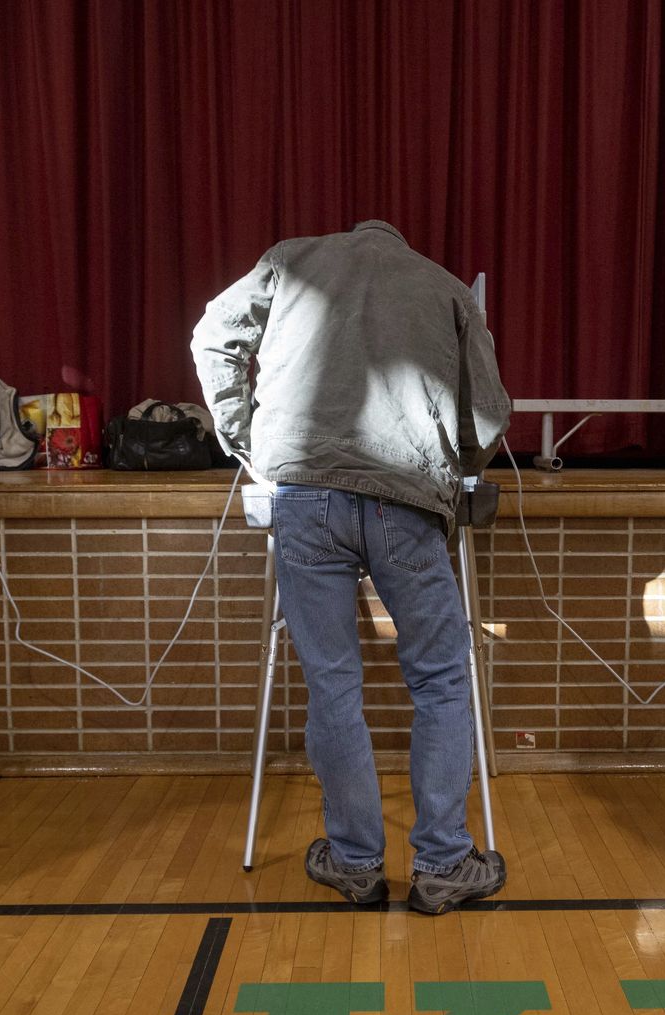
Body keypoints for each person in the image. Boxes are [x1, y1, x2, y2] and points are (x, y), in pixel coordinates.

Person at [192, 220, 512, 914]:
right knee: (441, 679)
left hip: (304, 498)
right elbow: (487, 419)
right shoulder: (447, 289)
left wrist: (249, 442)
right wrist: (453, 464)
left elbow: (213, 338)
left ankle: (355, 861)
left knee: (333, 685)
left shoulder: (286, 261)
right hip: (405, 501)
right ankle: (444, 864)